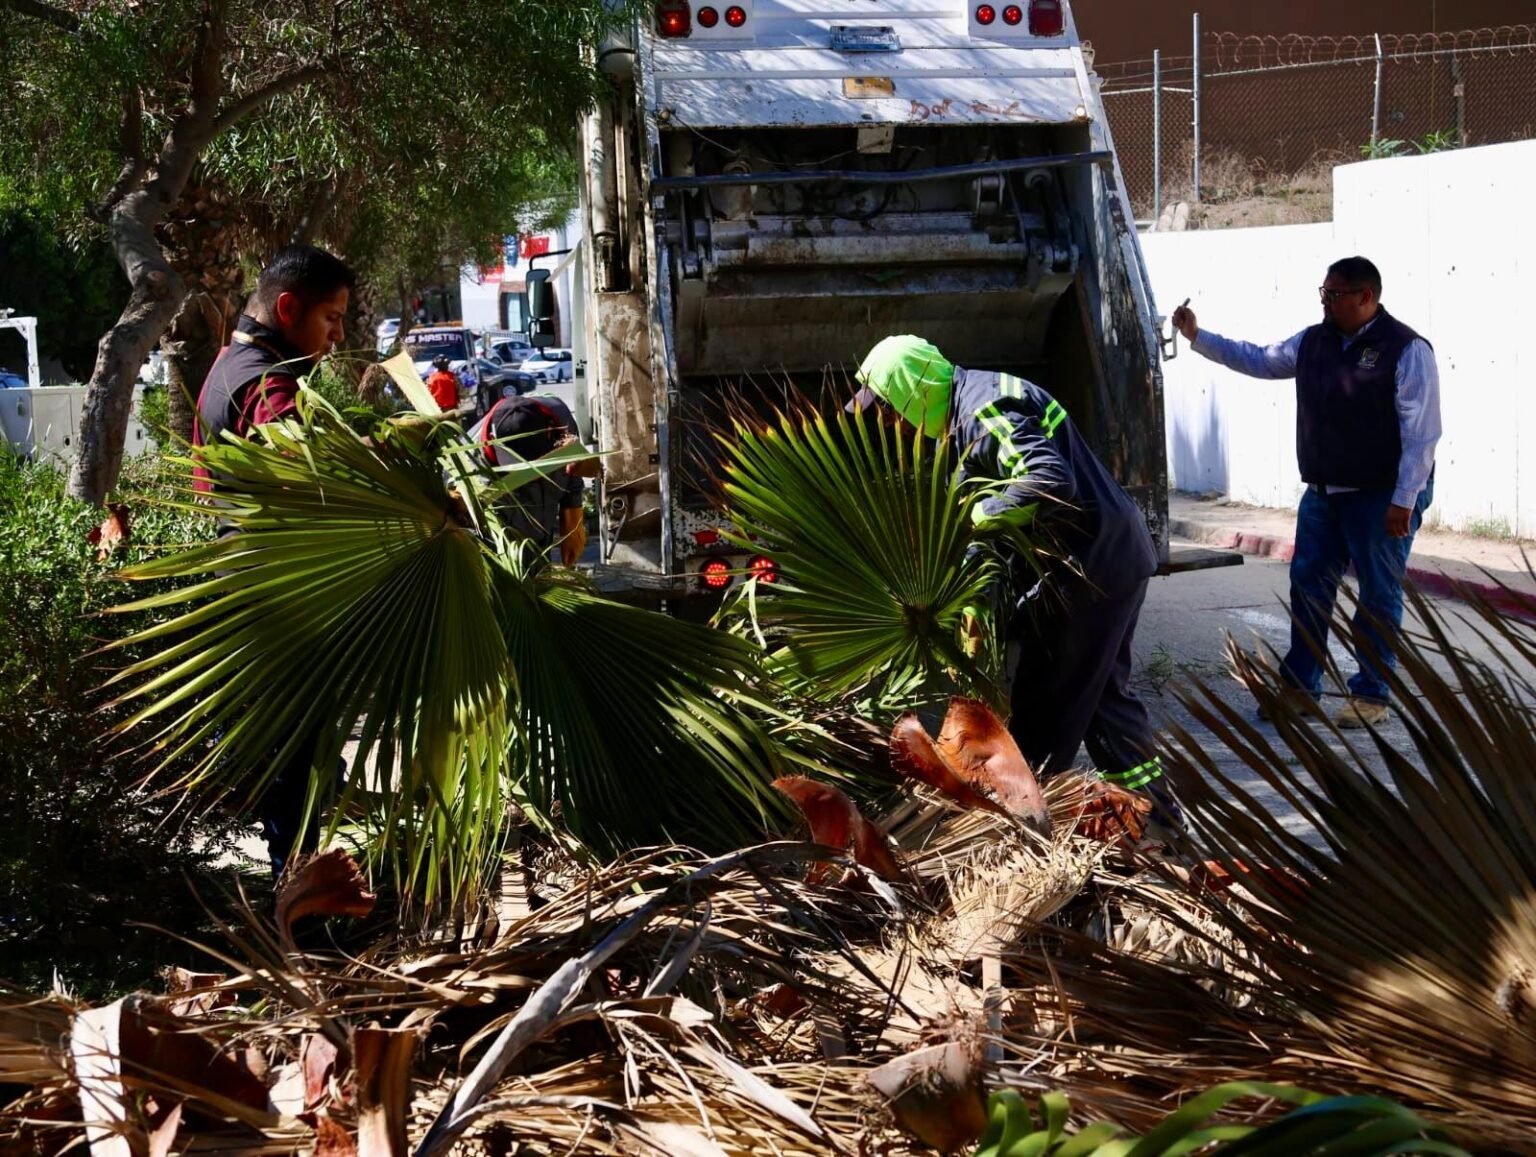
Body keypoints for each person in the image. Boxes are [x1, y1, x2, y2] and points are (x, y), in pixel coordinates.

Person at [847, 334, 1180, 827]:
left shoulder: (984, 411)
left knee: (1047, 701)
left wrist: (984, 512)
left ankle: (1028, 823)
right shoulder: (963, 419)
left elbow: (1048, 478)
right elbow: (987, 521)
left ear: (911, 388)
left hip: (1090, 566)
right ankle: (1157, 821)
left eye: (890, 408)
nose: (893, 423)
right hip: (1109, 556)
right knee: (1105, 700)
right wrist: (973, 597)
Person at [1173, 256, 1441, 728]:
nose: (1326, 302)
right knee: (1308, 587)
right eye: (1324, 293)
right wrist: (1199, 337)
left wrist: (1404, 499)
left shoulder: (1406, 349)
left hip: (1380, 496)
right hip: (1323, 493)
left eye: (1334, 295)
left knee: (1377, 595)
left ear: (1366, 297)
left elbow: (1422, 434)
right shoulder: (1313, 341)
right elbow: (1260, 358)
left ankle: (1372, 695)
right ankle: (1300, 688)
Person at [193, 244, 357, 875]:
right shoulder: (265, 383)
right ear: (288, 308)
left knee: (302, 760)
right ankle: (302, 902)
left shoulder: (228, 366)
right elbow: (316, 473)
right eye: (331, 319)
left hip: (252, 591)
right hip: (276, 601)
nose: (338, 338)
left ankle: (311, 885)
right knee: (296, 765)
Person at [471, 393, 590, 565]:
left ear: (549, 434)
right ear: (492, 440)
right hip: (507, 550)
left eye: (533, 469)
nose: (527, 478)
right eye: (518, 470)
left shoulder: (562, 424)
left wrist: (572, 518)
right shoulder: (473, 462)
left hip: (544, 530)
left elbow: (572, 469)